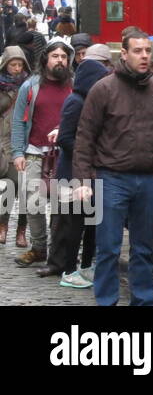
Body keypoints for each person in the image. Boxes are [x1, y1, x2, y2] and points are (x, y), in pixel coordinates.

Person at [72, 31, 153, 306]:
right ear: (124, 53)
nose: (144, 56)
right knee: (108, 247)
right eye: (138, 51)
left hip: (148, 178)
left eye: (147, 51)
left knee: (144, 248)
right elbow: (85, 136)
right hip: (111, 177)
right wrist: (83, 179)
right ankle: (107, 301)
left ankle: (143, 300)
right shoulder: (103, 89)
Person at [45, 44, 113, 288]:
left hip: (90, 171)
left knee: (92, 222)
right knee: (76, 223)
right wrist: (89, 152)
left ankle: (86, 266)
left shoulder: (91, 101)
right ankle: (70, 268)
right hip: (73, 172)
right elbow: (65, 138)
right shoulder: (75, 101)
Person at [10, 40, 74, 267]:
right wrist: (18, 152)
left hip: (65, 154)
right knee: (33, 201)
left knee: (63, 204)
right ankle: (38, 247)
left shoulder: (74, 86)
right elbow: (18, 121)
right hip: (35, 152)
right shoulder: (31, 86)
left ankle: (60, 251)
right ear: (46, 59)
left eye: (64, 57)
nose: (60, 60)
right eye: (55, 56)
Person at [0, 46, 31, 246]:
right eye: (13, 64)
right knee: (11, 186)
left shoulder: (30, 85)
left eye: (20, 64)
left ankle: (21, 230)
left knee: (24, 188)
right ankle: (3, 226)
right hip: (3, 140)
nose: (17, 68)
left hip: (22, 141)